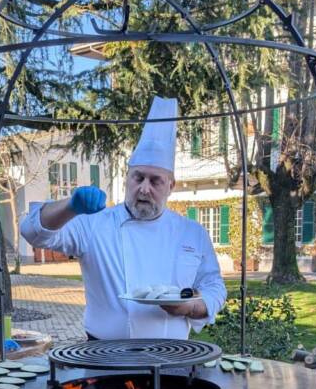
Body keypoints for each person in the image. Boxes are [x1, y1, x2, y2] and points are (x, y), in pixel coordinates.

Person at [19, 97, 227, 339]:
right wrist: (70, 206)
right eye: (138, 178)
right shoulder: (95, 222)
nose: (144, 189)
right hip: (104, 353)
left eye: (155, 181)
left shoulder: (192, 232)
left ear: (171, 186)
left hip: (171, 354)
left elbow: (214, 287)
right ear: (127, 178)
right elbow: (33, 232)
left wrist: (190, 307)